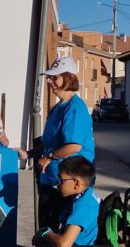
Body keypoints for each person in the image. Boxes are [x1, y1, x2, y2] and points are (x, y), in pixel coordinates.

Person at [20, 57, 95, 230]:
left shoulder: (75, 108)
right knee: (46, 229)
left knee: (59, 233)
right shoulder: (58, 108)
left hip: (70, 183)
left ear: (68, 78)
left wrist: (50, 157)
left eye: (55, 77)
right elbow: (51, 144)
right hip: (52, 181)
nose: (50, 81)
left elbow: (73, 146)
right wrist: (28, 154)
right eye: (49, 77)